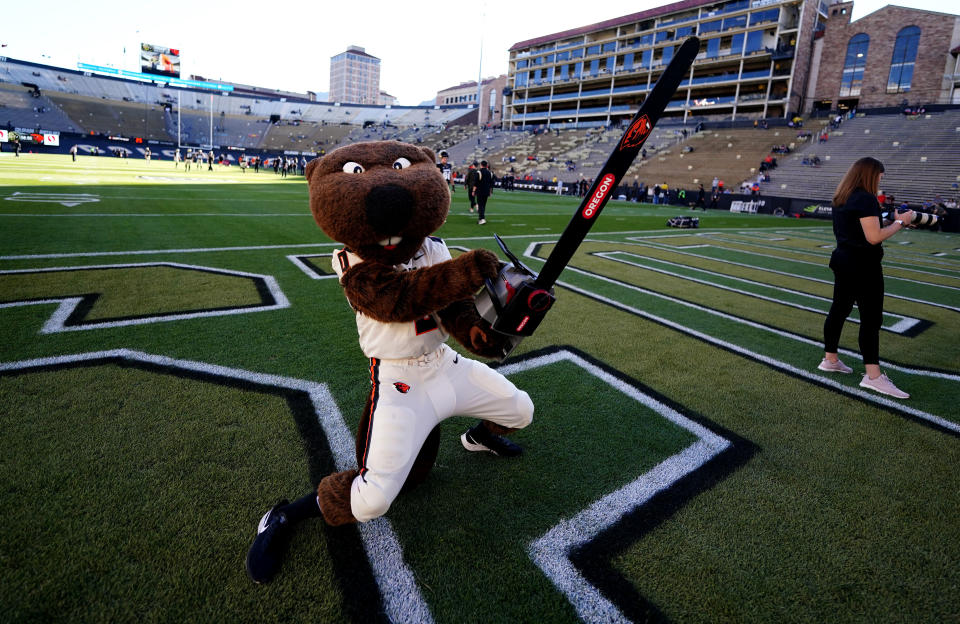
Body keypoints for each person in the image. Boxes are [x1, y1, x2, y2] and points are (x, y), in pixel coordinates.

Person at [819, 157, 914, 398]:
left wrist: (892, 220)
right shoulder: (866, 198)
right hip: (863, 266)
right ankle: (873, 377)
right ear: (870, 175)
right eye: (880, 175)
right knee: (871, 319)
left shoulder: (843, 196)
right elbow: (873, 237)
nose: (881, 180)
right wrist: (901, 223)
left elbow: (861, 227)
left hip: (843, 260)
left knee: (839, 310)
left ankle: (830, 359)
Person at [475, 160, 494, 225]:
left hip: (480, 191)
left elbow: (476, 183)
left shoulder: (479, 172)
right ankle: (481, 218)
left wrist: (473, 191)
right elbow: (491, 184)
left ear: (481, 165)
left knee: (480, 205)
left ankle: (482, 218)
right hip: (487, 191)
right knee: (483, 205)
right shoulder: (490, 173)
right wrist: (491, 192)